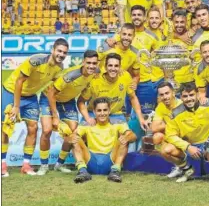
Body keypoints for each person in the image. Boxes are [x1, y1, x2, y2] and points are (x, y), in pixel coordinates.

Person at [2, 38, 69, 177]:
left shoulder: (59, 68)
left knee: (33, 128)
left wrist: (55, 114)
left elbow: (53, 89)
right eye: (59, 51)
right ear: (53, 50)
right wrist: (16, 106)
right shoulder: (36, 60)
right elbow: (19, 81)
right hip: (11, 91)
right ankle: (2, 164)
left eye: (64, 52)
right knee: (5, 128)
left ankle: (26, 165)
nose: (61, 54)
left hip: (31, 96)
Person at [37, 50, 99, 175]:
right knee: (47, 130)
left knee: (73, 133)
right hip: (49, 98)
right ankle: (43, 165)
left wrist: (87, 118)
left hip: (68, 101)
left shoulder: (96, 72)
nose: (91, 66)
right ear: (83, 62)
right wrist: (55, 116)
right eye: (88, 63)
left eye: (94, 63)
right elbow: (51, 93)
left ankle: (59, 164)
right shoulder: (71, 75)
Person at [161, 82, 209, 184]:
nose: (189, 98)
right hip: (189, 146)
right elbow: (170, 135)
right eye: (185, 96)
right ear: (181, 97)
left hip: (208, 143)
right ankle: (187, 169)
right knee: (165, 150)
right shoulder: (175, 113)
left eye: (191, 95)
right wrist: (188, 147)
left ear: (198, 95)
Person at [64, 97, 136, 183]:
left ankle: (115, 171)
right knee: (75, 138)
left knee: (124, 138)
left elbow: (133, 136)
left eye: (105, 110)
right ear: (94, 112)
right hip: (91, 160)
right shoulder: (86, 124)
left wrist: (127, 137)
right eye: (99, 110)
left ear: (109, 111)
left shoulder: (118, 123)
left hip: (110, 160)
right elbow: (70, 138)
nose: (102, 113)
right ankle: (82, 171)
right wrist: (70, 138)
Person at [78, 53, 143, 128]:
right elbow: (81, 101)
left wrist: (141, 118)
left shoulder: (125, 76)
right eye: (110, 65)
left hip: (116, 114)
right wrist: (88, 118)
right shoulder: (95, 80)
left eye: (116, 66)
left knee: (127, 136)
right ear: (105, 67)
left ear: (120, 67)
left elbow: (133, 97)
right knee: (80, 136)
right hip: (94, 114)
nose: (113, 68)